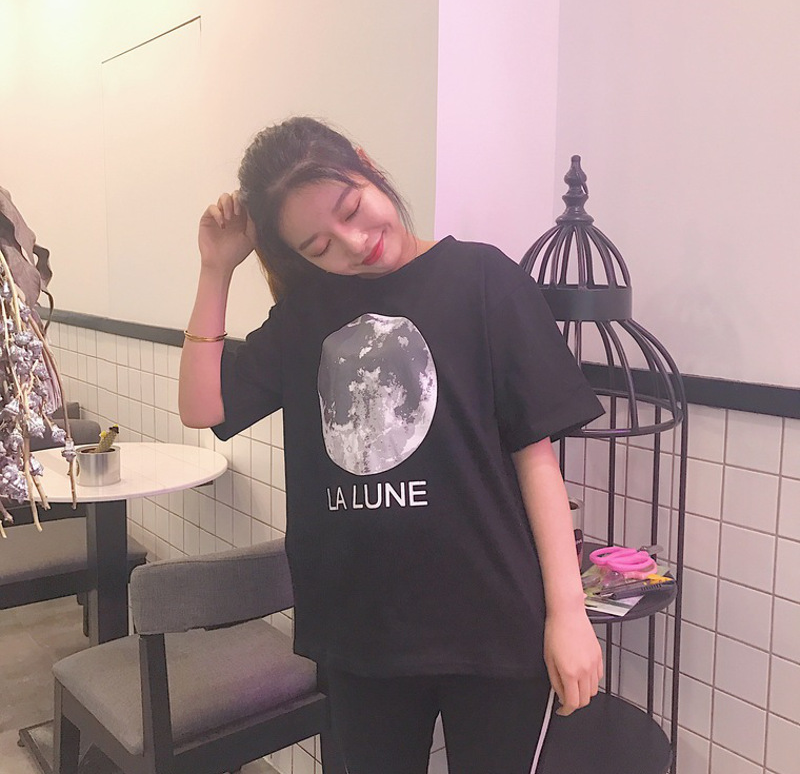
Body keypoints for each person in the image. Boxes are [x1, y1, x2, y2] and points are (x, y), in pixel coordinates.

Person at [179, 116, 605, 774]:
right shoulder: (306, 315)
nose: (354, 244)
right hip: (360, 636)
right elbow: (202, 407)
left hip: (493, 627)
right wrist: (215, 271)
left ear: (367, 165)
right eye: (319, 245)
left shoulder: (484, 279)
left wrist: (568, 613)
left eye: (351, 209)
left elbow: (535, 456)